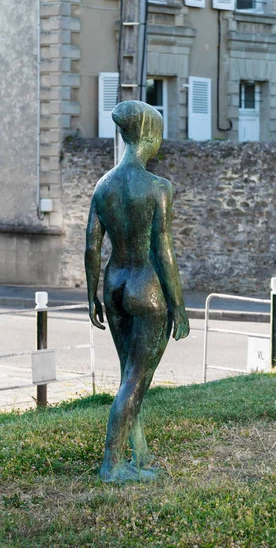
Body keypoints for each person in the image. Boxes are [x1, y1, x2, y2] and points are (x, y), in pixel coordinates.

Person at [85, 100, 190, 482]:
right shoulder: (158, 187)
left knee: (128, 373)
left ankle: (139, 452)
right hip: (146, 288)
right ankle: (112, 465)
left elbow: (92, 247)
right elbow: (163, 249)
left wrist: (91, 295)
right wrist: (178, 306)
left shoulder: (104, 185)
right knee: (136, 379)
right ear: (149, 135)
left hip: (114, 285)